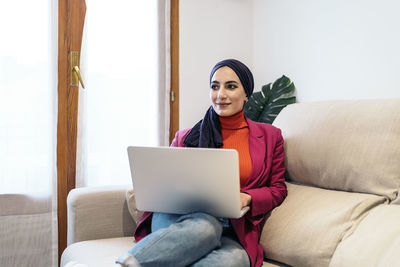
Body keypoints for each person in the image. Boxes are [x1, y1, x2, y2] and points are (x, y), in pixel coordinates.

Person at [117, 59, 288, 267]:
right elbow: (165, 183)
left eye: (231, 86)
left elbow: (278, 189)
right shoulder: (185, 137)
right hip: (179, 219)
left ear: (246, 94)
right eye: (215, 87)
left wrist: (247, 197)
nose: (220, 94)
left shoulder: (270, 136)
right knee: (206, 227)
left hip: (233, 228)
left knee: (235, 260)